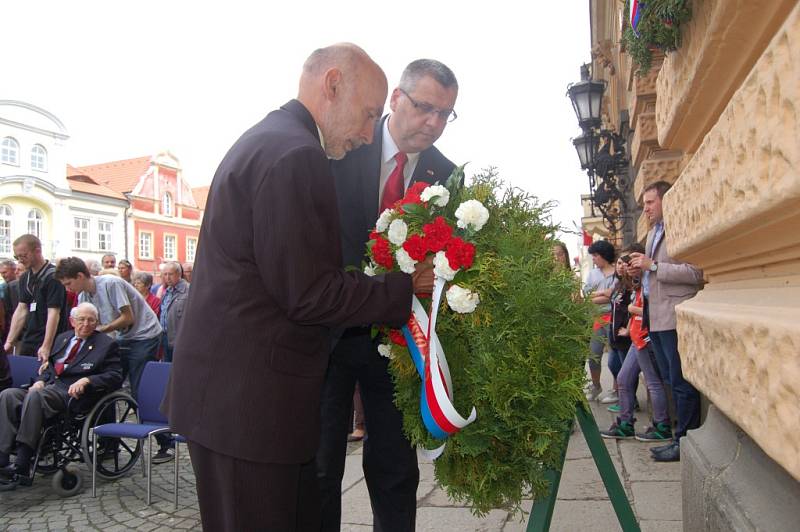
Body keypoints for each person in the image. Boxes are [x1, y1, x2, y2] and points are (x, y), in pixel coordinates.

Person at [163, 43, 433, 532]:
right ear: (332, 86)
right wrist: (403, 289)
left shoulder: (272, 140)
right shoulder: (295, 155)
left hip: (243, 400)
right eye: (370, 114)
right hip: (249, 407)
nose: (370, 132)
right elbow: (309, 293)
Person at [318, 58, 458, 532]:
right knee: (319, 466)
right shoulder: (341, 144)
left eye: (445, 115)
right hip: (329, 336)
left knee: (397, 469)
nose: (434, 123)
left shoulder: (446, 176)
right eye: (426, 108)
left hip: (399, 342)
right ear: (396, 98)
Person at [0, 302, 122, 490]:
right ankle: (2, 458)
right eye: (81, 319)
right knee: (8, 395)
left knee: (36, 397)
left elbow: (115, 376)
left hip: (72, 395)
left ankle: (23, 461)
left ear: (97, 322)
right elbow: (49, 366)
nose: (86, 324)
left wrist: (87, 380)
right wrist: (41, 379)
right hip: (49, 387)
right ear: (72, 321)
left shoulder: (106, 344)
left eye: (91, 320)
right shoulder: (63, 338)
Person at [630, 181, 703, 462]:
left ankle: (684, 442)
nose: (645, 208)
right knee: (671, 381)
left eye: (650, 202)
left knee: (682, 383)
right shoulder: (652, 233)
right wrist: (637, 271)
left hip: (674, 316)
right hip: (655, 317)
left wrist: (654, 266)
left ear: (666, 201)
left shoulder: (680, 225)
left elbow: (697, 272)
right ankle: (677, 436)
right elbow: (651, 278)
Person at [54, 257, 161, 404]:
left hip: (144, 334)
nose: (67, 288)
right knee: (109, 379)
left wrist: (102, 329)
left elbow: (128, 318)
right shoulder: (83, 296)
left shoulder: (110, 283)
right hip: (121, 336)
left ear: (80, 276)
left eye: (68, 283)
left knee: (139, 383)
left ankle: (144, 419)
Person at [3, 235, 69, 360]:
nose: (20, 260)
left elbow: (53, 313)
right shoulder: (24, 277)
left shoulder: (54, 277)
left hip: (52, 339)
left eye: (23, 255)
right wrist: (9, 342)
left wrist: (46, 345)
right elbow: (21, 309)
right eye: (17, 257)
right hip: (30, 338)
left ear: (37, 250)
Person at [583, 239, 617, 401]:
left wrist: (607, 295)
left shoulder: (617, 272)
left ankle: (617, 390)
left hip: (614, 318)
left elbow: (616, 296)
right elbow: (587, 297)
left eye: (596, 255)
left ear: (604, 255)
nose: (594, 259)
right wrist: (605, 294)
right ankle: (596, 386)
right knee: (594, 354)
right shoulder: (592, 274)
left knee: (615, 356)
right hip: (597, 319)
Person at [158, 262, 189, 363]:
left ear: (179, 274)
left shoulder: (188, 290)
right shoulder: (167, 291)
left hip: (180, 339)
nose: (167, 277)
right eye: (165, 274)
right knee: (167, 368)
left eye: (170, 274)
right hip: (165, 337)